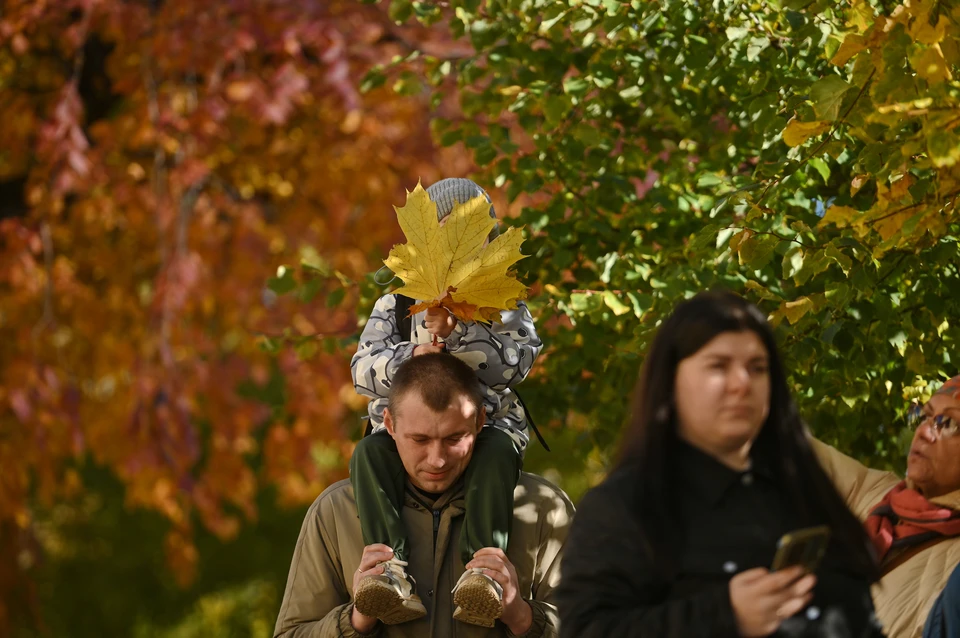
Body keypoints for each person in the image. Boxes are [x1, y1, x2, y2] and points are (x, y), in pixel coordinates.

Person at [555, 290, 885, 638]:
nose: (742, 383)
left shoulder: (804, 490)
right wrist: (724, 616)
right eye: (718, 365)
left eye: (757, 368)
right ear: (671, 381)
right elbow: (587, 631)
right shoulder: (623, 506)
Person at [349, 178, 543, 627]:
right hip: (405, 434)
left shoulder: (502, 299)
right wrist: (411, 355)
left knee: (497, 454)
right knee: (368, 456)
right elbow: (362, 369)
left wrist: (460, 333)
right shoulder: (397, 302)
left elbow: (517, 363)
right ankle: (387, 572)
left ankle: (483, 572)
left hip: (485, 429)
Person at [274, 353, 572, 638]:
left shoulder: (542, 507)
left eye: (454, 439)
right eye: (420, 439)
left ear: (480, 422)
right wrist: (357, 620)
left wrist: (521, 616)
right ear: (389, 424)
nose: (437, 460)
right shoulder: (335, 511)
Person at [812, 375, 960, 638]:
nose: (924, 432)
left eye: (948, 423)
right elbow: (787, 449)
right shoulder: (878, 494)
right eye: (925, 416)